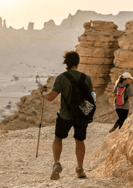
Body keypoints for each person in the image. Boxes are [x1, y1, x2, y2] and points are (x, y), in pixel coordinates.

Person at [40, 51, 93, 180]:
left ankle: (57, 163)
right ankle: (80, 169)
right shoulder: (87, 78)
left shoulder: (62, 78)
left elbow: (51, 97)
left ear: (66, 64)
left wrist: (43, 94)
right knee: (79, 141)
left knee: (58, 138)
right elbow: (91, 96)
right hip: (82, 115)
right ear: (77, 62)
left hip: (65, 115)